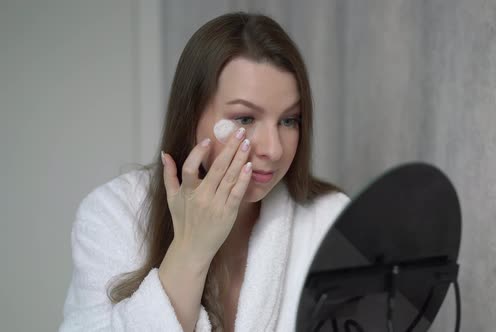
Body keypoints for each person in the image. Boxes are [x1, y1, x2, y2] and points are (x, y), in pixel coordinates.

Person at [59, 12, 350, 332]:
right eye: (245, 119)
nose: (274, 149)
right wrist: (191, 248)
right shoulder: (113, 214)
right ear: (191, 115)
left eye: (289, 120)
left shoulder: (331, 220)